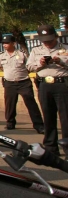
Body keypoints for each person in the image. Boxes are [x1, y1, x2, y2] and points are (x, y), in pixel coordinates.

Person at [26, 24, 68, 157]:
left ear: (55, 36)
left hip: (62, 84)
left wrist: (60, 61)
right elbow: (29, 66)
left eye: (50, 40)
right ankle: (51, 147)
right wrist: (40, 64)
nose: (48, 43)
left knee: (66, 118)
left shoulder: (65, 48)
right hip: (44, 85)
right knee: (48, 117)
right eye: (45, 40)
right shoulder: (35, 50)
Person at [0, 35, 44, 133]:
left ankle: (39, 125)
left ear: (13, 43)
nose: (4, 45)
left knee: (31, 103)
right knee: (10, 104)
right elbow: (0, 67)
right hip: (9, 83)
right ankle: (10, 123)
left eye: (7, 43)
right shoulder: (1, 56)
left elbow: (29, 66)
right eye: (3, 43)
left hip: (24, 82)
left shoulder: (22, 54)